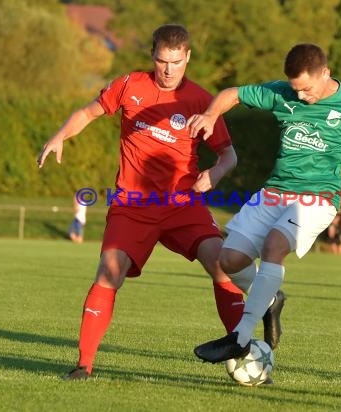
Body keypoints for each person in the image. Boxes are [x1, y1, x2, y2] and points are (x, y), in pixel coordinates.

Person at [37, 24, 283, 380]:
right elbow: (88, 113)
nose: (168, 70)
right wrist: (60, 135)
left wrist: (214, 175)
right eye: (162, 61)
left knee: (221, 264)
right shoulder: (129, 86)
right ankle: (83, 365)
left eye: (176, 62)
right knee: (109, 272)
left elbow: (229, 155)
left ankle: (241, 349)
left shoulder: (201, 100)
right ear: (153, 57)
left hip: (183, 204)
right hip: (132, 204)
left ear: (187, 58)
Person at [188, 43, 341, 364]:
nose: (301, 97)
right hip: (275, 191)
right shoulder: (283, 93)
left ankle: (240, 337)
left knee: (274, 246)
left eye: (307, 89)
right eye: (296, 89)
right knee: (227, 261)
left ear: (325, 73)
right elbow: (233, 93)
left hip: (319, 197)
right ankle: (270, 299)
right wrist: (211, 114)